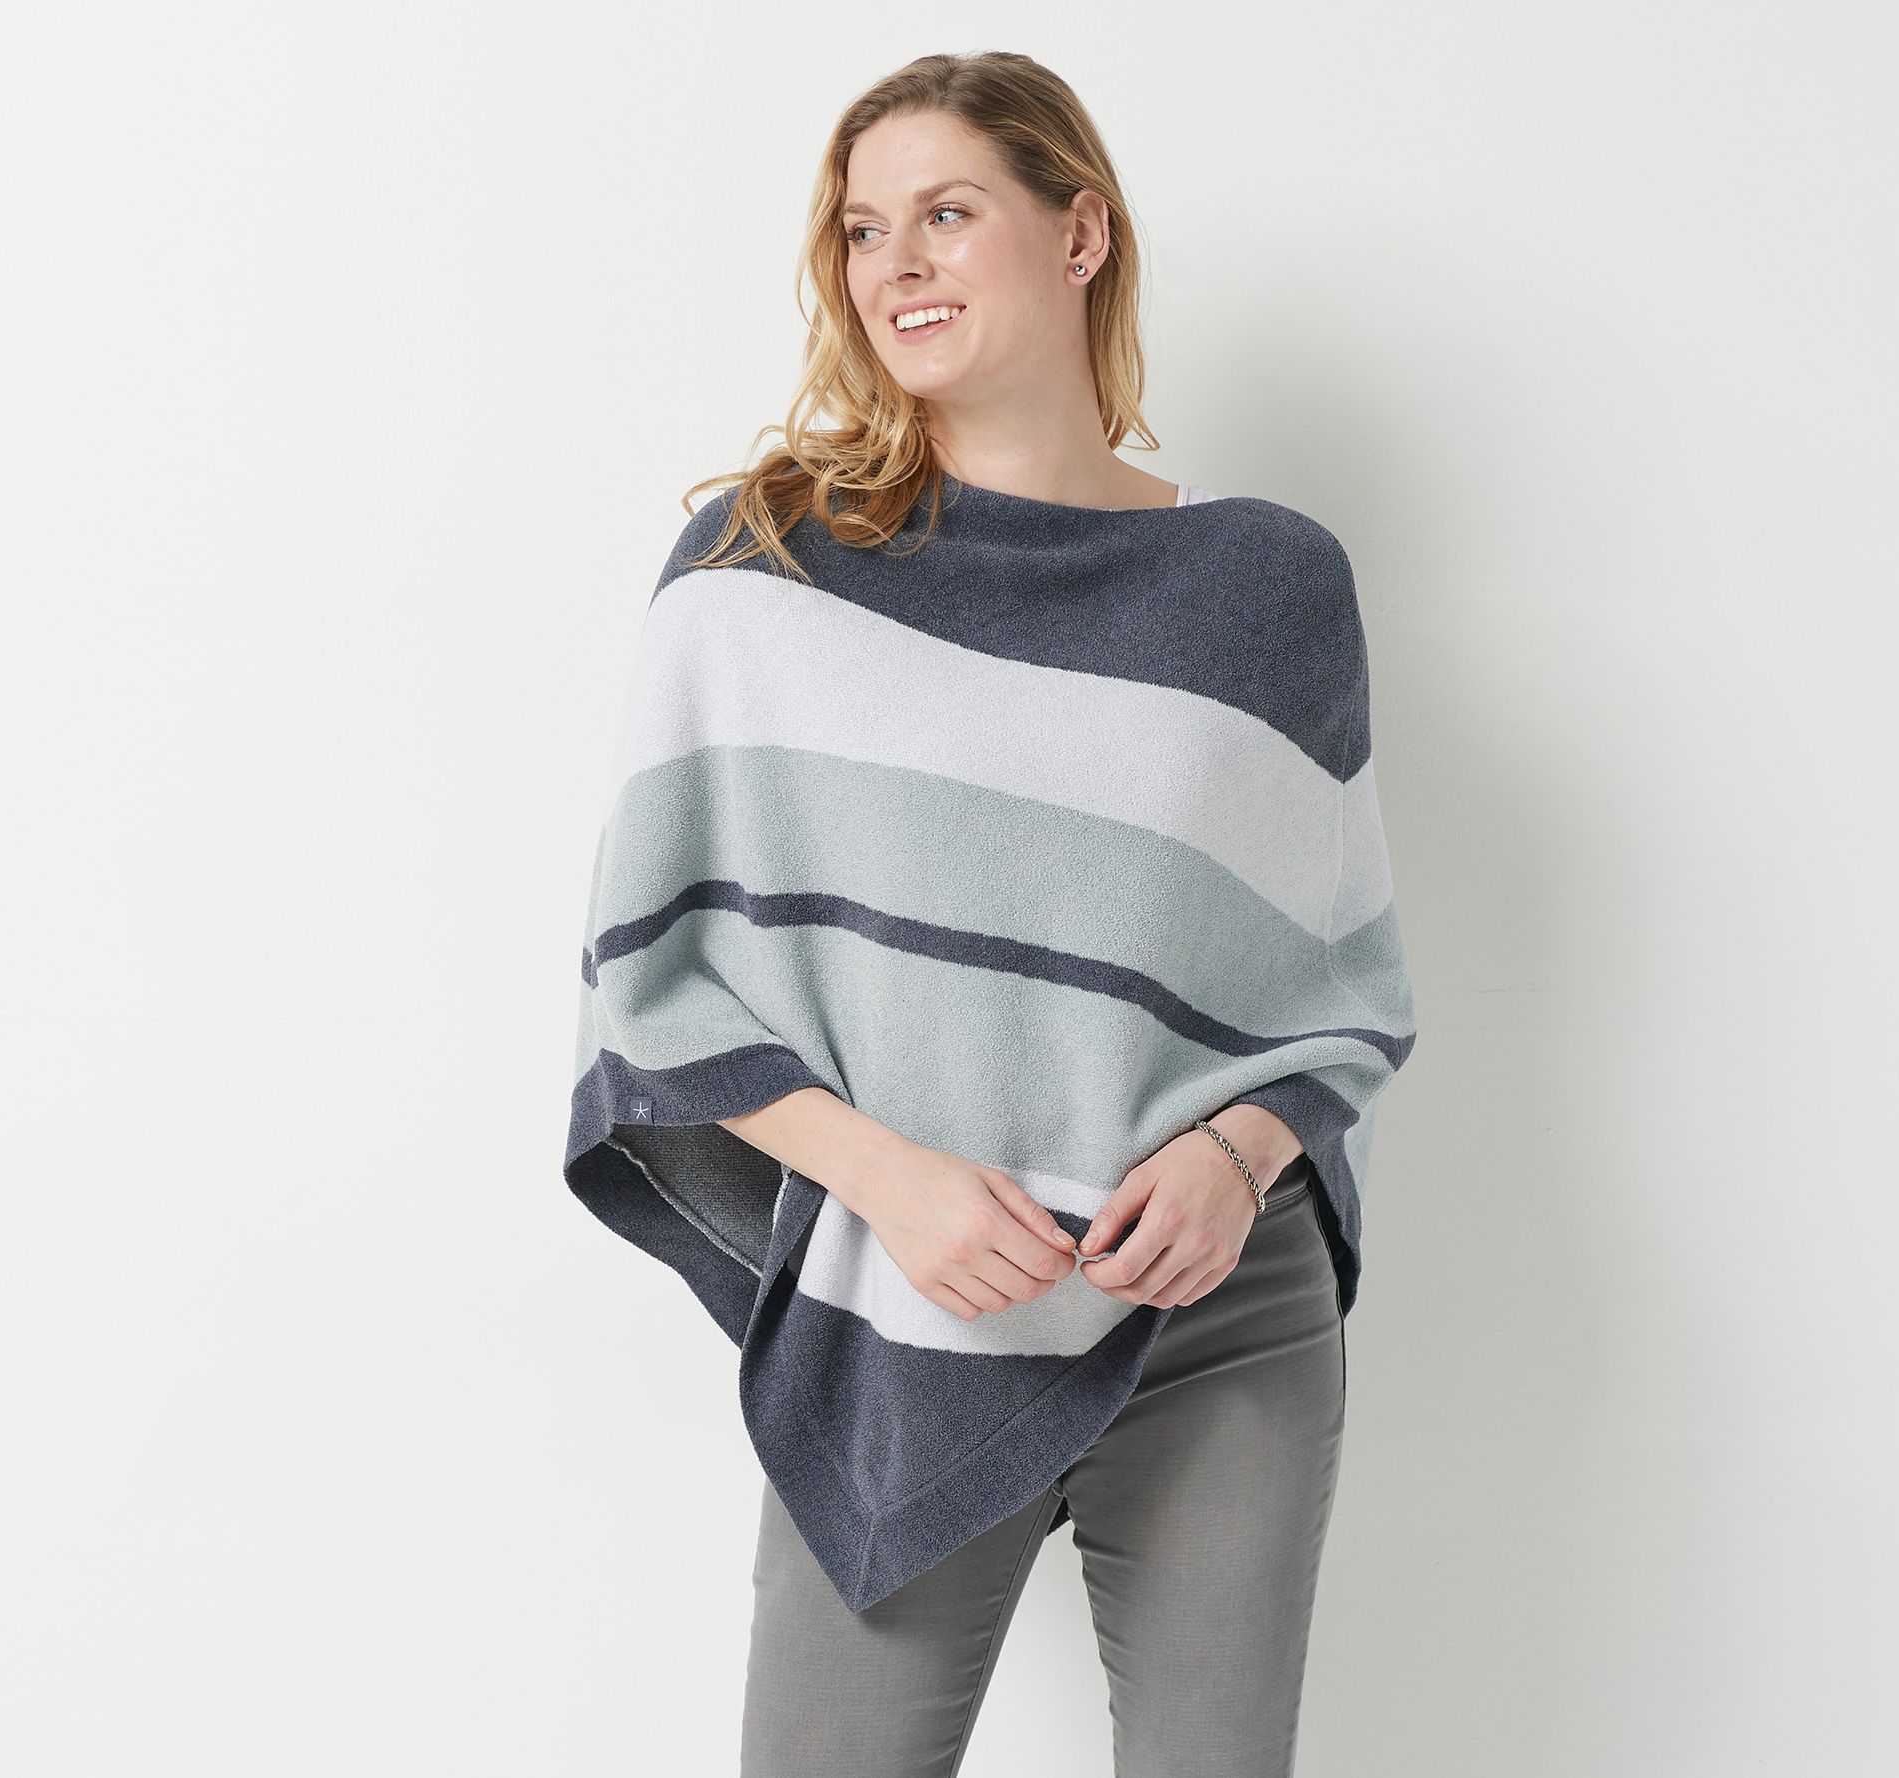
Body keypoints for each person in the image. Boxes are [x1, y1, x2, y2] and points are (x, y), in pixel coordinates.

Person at [560, 50, 1416, 1778]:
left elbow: (1343, 986)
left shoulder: (1267, 586)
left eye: (947, 213)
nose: (898, 266)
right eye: (863, 230)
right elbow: (653, 981)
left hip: (1218, 1305)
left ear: (1079, 232)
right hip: (904, 1297)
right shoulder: (763, 570)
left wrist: (1236, 1155)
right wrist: (892, 1180)